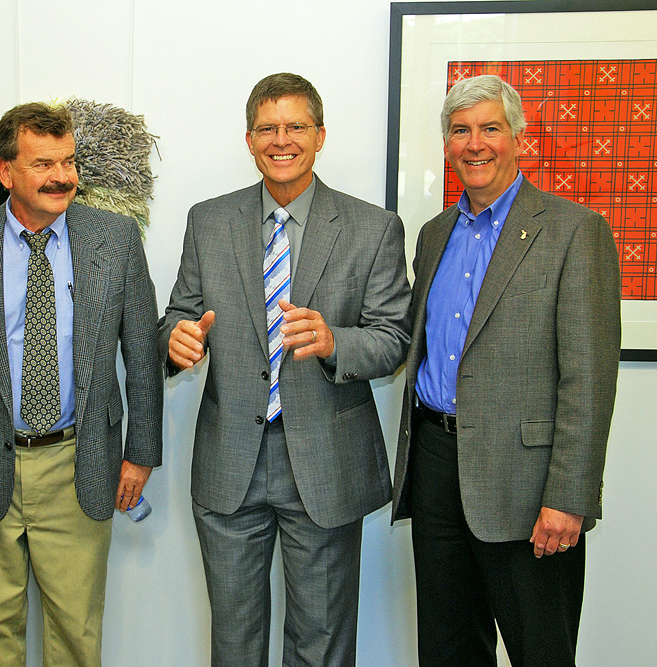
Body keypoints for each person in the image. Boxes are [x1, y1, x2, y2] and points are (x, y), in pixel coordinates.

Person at [159, 72, 411, 665]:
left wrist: (334, 342)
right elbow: (177, 315)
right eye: (267, 128)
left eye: (296, 126)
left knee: (320, 645)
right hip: (230, 464)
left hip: (325, 462)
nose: (282, 140)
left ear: (320, 135)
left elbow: (394, 339)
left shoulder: (373, 228)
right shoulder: (208, 220)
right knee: (235, 644)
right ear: (249, 139)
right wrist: (176, 341)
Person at [391, 74, 621, 666]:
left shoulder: (575, 232)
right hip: (438, 469)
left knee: (540, 651)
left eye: (490, 128)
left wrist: (570, 497)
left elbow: (588, 382)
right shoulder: (434, 234)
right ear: (447, 145)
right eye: (461, 132)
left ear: (519, 138)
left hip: (529, 485)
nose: (475, 144)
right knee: (447, 650)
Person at [0, 102, 163, 667]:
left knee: (76, 636)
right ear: (6, 173)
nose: (62, 176)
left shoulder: (116, 239)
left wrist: (140, 454)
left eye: (69, 162)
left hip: (79, 461)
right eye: (43, 164)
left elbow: (141, 354)